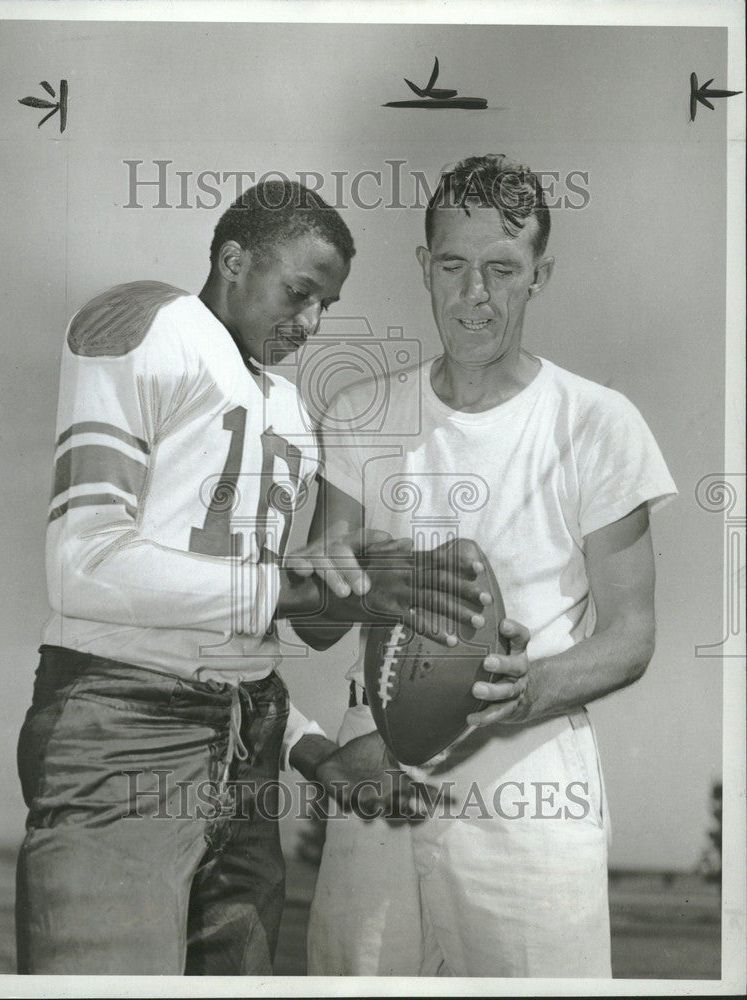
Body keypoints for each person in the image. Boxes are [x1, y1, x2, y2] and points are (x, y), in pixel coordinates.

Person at [15, 178, 483, 975]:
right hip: (125, 736)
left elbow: (230, 636)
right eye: (299, 293)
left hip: (251, 748)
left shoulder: (293, 414)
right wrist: (293, 590)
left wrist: (311, 751)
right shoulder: (152, 323)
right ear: (233, 259)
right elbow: (82, 564)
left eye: (326, 306)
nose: (309, 323)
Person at [298, 154, 678, 977]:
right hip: (376, 767)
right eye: (454, 265)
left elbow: (632, 633)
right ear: (423, 266)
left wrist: (516, 694)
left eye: (502, 269)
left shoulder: (598, 421)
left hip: (529, 778)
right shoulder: (361, 412)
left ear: (540, 275)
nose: (475, 294)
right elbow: (323, 626)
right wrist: (323, 580)